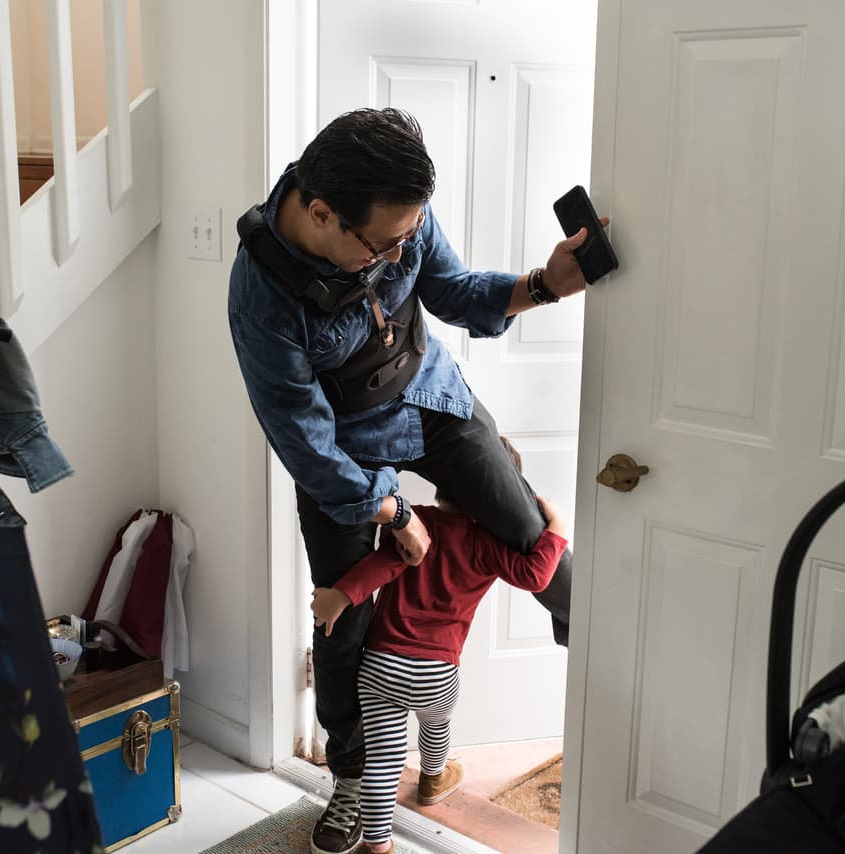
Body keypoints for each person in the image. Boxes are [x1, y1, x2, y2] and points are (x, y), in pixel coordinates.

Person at [227, 106, 604, 854]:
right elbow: (303, 441)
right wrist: (391, 512)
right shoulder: (260, 300)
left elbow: (455, 290)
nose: (405, 250)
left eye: (413, 232)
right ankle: (351, 778)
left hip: (433, 399)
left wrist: (546, 284)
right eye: (389, 243)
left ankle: (604, 650)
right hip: (344, 451)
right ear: (322, 213)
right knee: (343, 619)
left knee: (529, 530)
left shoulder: (397, 219)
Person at [310, 437, 567, 854]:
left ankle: (378, 845)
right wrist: (556, 528)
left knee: (384, 761)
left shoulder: (417, 524)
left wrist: (341, 596)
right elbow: (536, 576)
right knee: (436, 725)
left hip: (380, 668)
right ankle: (433, 777)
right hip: (437, 673)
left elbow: (384, 564)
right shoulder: (489, 544)